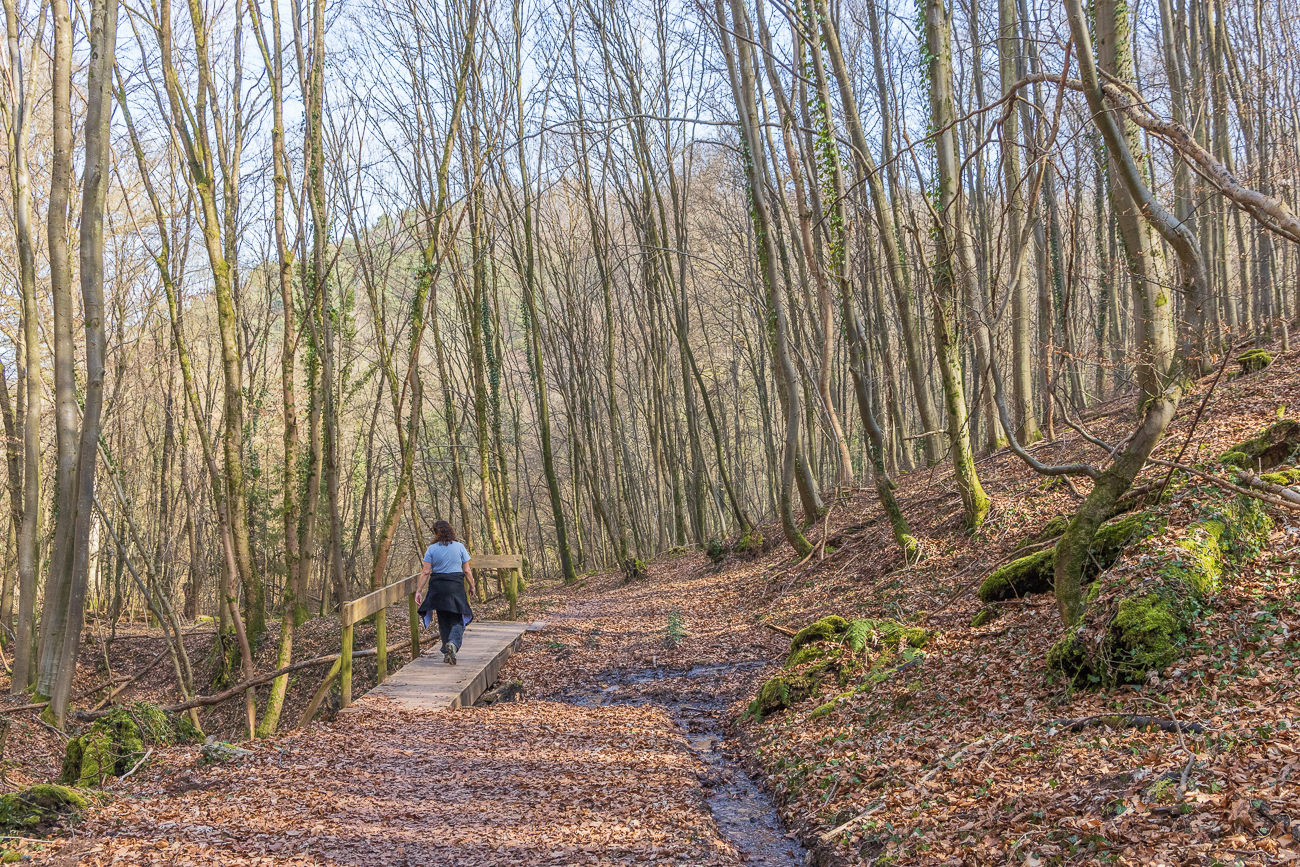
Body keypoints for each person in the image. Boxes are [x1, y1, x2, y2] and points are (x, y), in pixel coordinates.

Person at [416, 520, 474, 665]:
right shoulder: (460, 547)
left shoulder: (432, 549)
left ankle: (447, 653)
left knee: (443, 621)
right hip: (455, 587)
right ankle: (453, 644)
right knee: (458, 619)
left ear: (436, 533)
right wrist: (472, 585)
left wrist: (418, 591)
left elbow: (425, 572)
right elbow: (466, 570)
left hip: (438, 588)